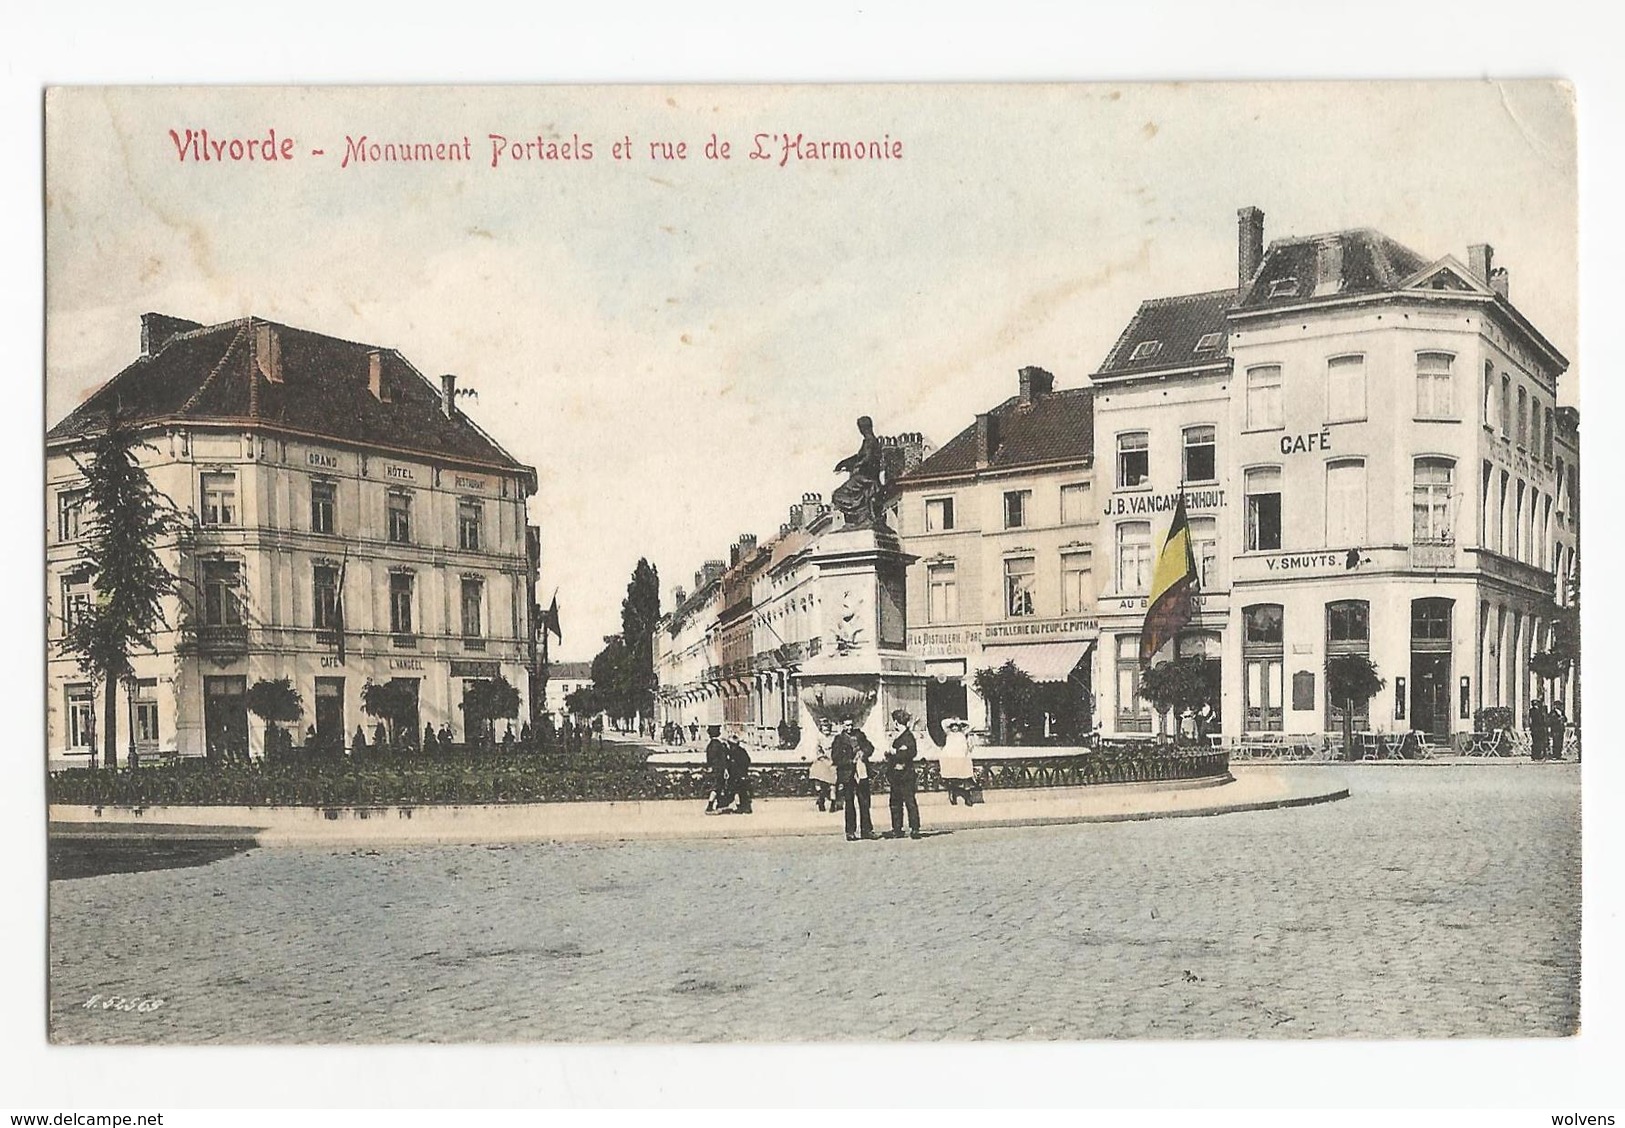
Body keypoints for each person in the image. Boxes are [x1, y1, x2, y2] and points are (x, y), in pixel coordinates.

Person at [831, 718, 877, 841]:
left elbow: (870, 747)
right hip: (847, 775)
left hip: (862, 773)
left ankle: (867, 830)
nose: (849, 728)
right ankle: (850, 831)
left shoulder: (860, 735)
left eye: (851, 725)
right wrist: (850, 761)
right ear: (842, 725)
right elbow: (835, 758)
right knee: (849, 803)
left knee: (864, 802)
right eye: (846, 725)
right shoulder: (839, 740)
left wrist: (864, 752)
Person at [884, 710, 922, 839]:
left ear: (896, 722)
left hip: (906, 774)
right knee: (895, 802)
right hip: (896, 775)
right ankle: (897, 828)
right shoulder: (899, 735)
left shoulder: (907, 736)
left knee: (909, 801)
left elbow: (911, 753)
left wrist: (895, 752)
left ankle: (914, 828)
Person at [938, 717, 979, 805]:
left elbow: (972, 725)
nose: (955, 728)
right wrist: (952, 721)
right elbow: (943, 723)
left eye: (956, 726)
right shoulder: (949, 733)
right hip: (951, 757)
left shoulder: (963, 733)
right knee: (953, 777)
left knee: (965, 777)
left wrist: (960, 722)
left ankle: (967, 798)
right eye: (953, 726)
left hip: (961, 757)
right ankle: (953, 795)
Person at [807, 719, 839, 811]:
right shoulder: (819, 738)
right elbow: (818, 750)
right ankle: (821, 797)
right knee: (817, 776)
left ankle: (833, 803)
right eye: (824, 729)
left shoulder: (834, 738)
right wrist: (821, 756)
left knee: (833, 782)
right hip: (822, 760)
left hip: (832, 760)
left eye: (828, 728)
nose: (826, 731)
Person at [703, 725, 729, 814]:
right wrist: (725, 769)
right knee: (717, 787)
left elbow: (709, 759)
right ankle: (710, 807)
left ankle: (719, 804)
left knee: (716, 787)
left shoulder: (709, 745)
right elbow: (723, 758)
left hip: (713, 769)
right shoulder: (718, 745)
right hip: (719, 769)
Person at [726, 733, 754, 814]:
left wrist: (742, 771)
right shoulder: (737, 751)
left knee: (740, 791)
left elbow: (746, 762)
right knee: (740, 791)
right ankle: (743, 807)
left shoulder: (738, 752)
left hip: (739, 775)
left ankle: (743, 807)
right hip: (737, 775)